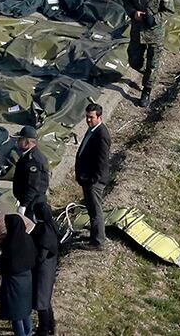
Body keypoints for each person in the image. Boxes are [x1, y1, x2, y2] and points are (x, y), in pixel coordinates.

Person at [125, 0, 170, 108]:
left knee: (153, 63)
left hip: (154, 34)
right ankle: (147, 72)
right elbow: (126, 1)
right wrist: (133, 13)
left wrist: (154, 19)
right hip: (137, 31)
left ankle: (147, 91)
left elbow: (169, 11)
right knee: (134, 60)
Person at [74, 104, 111, 249]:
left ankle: (98, 242)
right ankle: (94, 236)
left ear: (99, 117)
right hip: (87, 179)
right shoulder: (92, 130)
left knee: (96, 211)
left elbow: (101, 161)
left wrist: (92, 180)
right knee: (91, 209)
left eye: (91, 117)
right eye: (87, 117)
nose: (88, 120)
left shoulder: (101, 135)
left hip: (94, 181)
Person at [0, 217, 37, 336]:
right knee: (25, 309)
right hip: (27, 278)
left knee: (15, 313)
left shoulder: (9, 244)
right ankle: (28, 332)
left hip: (13, 281)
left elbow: (3, 265)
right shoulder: (28, 238)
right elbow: (34, 255)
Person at [30, 208, 62, 336]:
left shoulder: (44, 231)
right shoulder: (51, 226)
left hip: (43, 270)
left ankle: (43, 330)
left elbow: (41, 255)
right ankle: (51, 325)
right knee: (46, 299)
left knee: (41, 301)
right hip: (50, 267)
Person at [10, 127, 50, 221]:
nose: (17, 142)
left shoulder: (34, 160)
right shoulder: (27, 156)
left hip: (33, 203)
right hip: (28, 201)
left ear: (27, 142)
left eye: (20, 139)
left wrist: (24, 205)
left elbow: (33, 185)